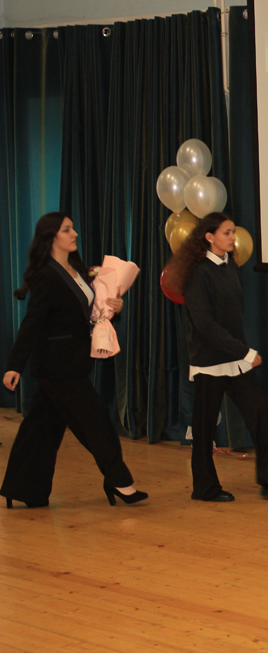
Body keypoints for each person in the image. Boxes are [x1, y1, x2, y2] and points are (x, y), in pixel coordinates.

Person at [2, 213, 146, 508]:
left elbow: (88, 313)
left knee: (41, 427)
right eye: (67, 230)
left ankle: (23, 489)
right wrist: (15, 365)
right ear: (52, 237)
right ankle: (119, 480)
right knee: (95, 421)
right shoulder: (46, 275)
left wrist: (114, 308)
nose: (75, 234)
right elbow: (32, 323)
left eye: (73, 228)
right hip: (57, 366)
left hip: (75, 361)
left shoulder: (78, 270)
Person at [163, 212, 268, 502]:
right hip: (210, 361)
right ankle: (204, 488)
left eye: (233, 231)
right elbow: (205, 325)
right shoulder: (198, 273)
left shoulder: (229, 266)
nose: (233, 237)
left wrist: (240, 351)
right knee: (204, 427)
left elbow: (232, 318)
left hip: (234, 358)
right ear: (209, 237)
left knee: (260, 411)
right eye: (227, 232)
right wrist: (245, 351)